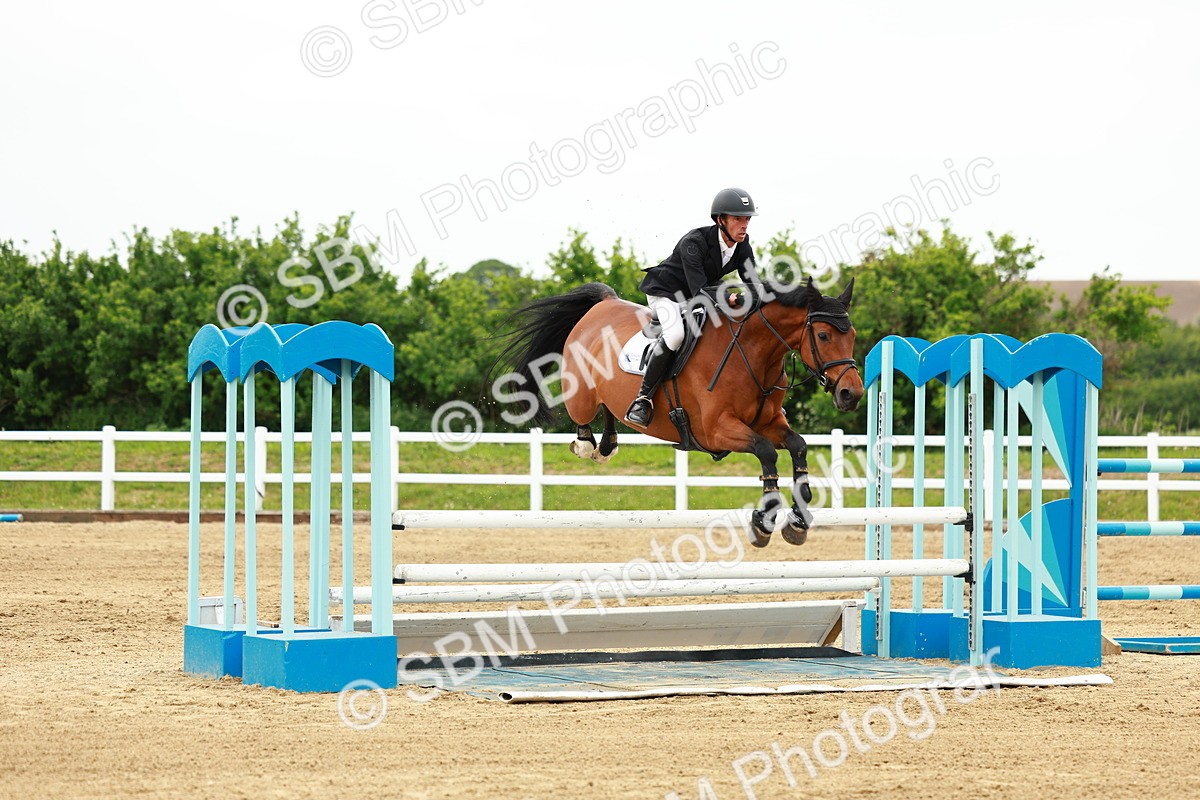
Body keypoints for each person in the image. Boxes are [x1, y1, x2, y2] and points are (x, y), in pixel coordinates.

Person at [624, 187, 764, 427]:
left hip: (696, 296)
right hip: (666, 295)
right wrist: (728, 298)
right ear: (721, 220)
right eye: (738, 219)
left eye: (747, 219)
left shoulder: (742, 245)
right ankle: (643, 399)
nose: (744, 225)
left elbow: (753, 282)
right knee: (676, 334)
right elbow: (700, 291)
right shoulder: (694, 243)